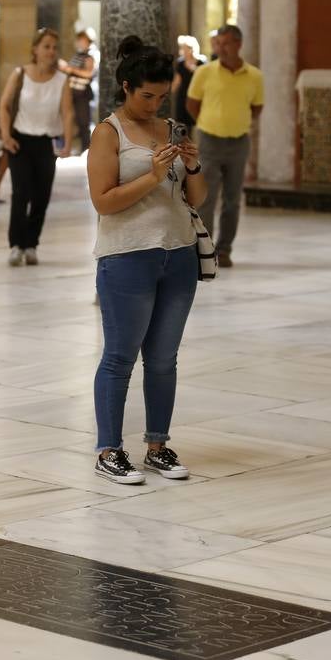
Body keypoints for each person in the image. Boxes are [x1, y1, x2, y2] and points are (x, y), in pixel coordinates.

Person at [87, 35, 207, 485]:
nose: (154, 104)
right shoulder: (108, 133)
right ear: (125, 87)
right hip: (126, 255)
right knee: (119, 357)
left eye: (161, 96)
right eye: (146, 95)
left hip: (177, 253)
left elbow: (196, 197)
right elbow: (103, 201)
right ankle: (109, 450)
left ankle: (158, 445)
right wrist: (153, 175)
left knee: (163, 359)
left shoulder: (172, 128)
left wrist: (192, 167)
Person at [186, 24, 264, 268]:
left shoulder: (254, 76)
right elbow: (192, 103)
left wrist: (235, 122)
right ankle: (205, 248)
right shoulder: (204, 72)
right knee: (207, 196)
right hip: (209, 140)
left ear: (239, 44)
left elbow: (256, 108)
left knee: (233, 199)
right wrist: (208, 122)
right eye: (217, 43)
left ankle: (225, 249)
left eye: (226, 43)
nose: (220, 47)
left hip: (239, 143)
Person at [0, 27, 73, 266]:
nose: (51, 51)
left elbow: (67, 113)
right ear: (35, 49)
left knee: (42, 196)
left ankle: (31, 244)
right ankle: (16, 245)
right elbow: (4, 106)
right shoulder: (20, 74)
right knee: (21, 194)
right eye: (46, 46)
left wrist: (68, 143)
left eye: (54, 47)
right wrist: (5, 136)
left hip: (45, 143)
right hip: (20, 141)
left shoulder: (62, 80)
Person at [59, 30, 97, 152]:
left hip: (82, 94)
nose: (79, 43)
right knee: (69, 120)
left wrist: (71, 70)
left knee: (83, 123)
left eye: (81, 40)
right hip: (72, 92)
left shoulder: (90, 56)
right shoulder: (78, 54)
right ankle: (66, 146)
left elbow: (89, 73)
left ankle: (86, 150)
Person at [171, 35, 205, 139]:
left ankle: (197, 148)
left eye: (184, 48)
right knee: (182, 124)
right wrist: (170, 90)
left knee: (197, 123)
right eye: (182, 48)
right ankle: (183, 148)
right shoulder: (180, 63)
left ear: (191, 49)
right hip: (182, 97)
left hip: (196, 97)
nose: (182, 51)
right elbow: (177, 80)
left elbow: (204, 82)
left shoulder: (201, 63)